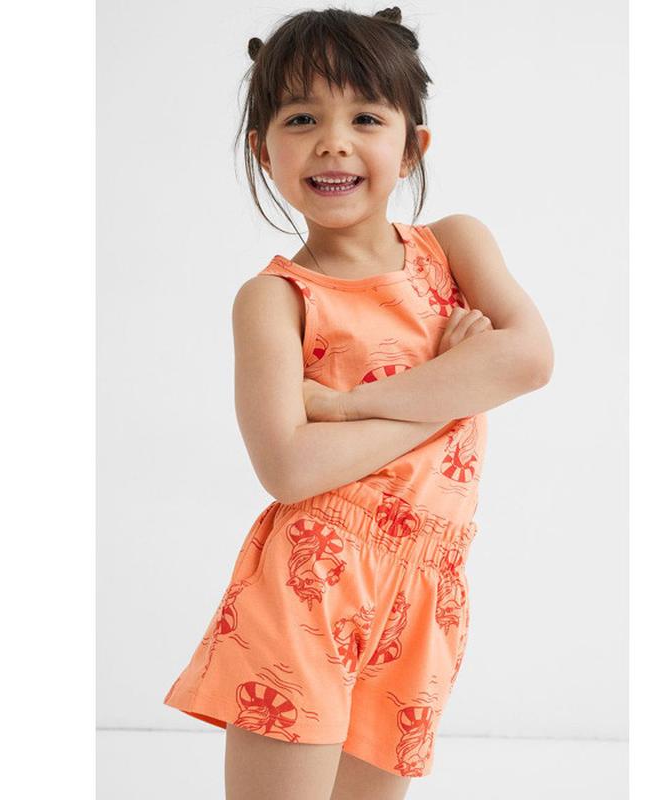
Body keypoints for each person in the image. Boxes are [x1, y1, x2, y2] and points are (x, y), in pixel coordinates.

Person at [163, 6, 554, 799]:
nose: (333, 141)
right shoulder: (275, 299)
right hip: (309, 586)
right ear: (264, 150)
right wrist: (456, 383)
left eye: (365, 118)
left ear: (412, 147)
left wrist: (341, 410)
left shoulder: (456, 246)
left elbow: (528, 359)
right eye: (301, 118)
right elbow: (291, 467)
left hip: (426, 594)